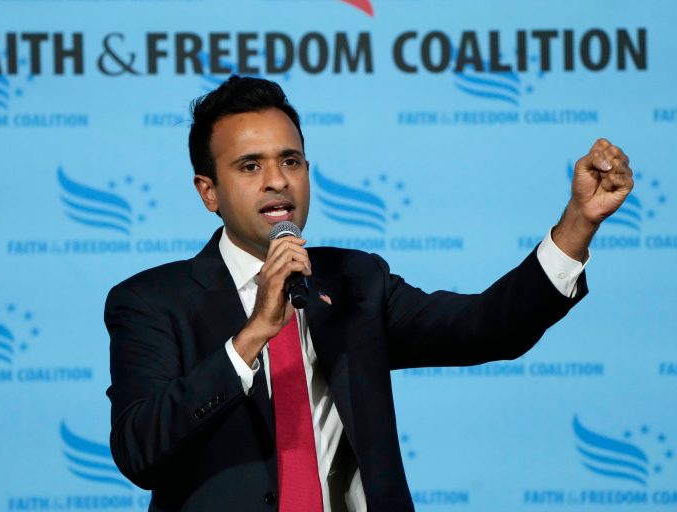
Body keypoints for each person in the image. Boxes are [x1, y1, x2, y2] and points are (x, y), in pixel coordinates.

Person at [104, 76, 633, 512]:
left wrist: (576, 225)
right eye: (250, 166)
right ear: (208, 192)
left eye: (290, 161)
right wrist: (252, 337)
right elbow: (139, 451)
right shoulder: (151, 301)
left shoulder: (355, 280)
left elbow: (487, 327)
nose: (277, 181)